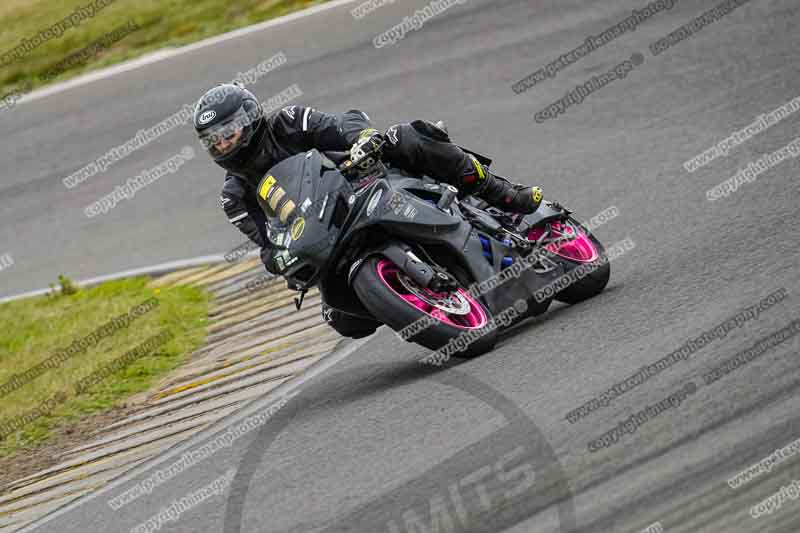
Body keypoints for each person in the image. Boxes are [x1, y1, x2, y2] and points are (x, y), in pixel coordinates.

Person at [193, 83, 544, 338]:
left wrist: (362, 139)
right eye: (214, 139)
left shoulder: (286, 122)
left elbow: (337, 125)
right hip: (326, 235)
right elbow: (268, 248)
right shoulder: (234, 197)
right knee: (342, 319)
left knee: (408, 137)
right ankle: (417, 297)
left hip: (361, 178)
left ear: (250, 119)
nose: (223, 143)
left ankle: (503, 193)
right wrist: (281, 262)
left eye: (228, 131)